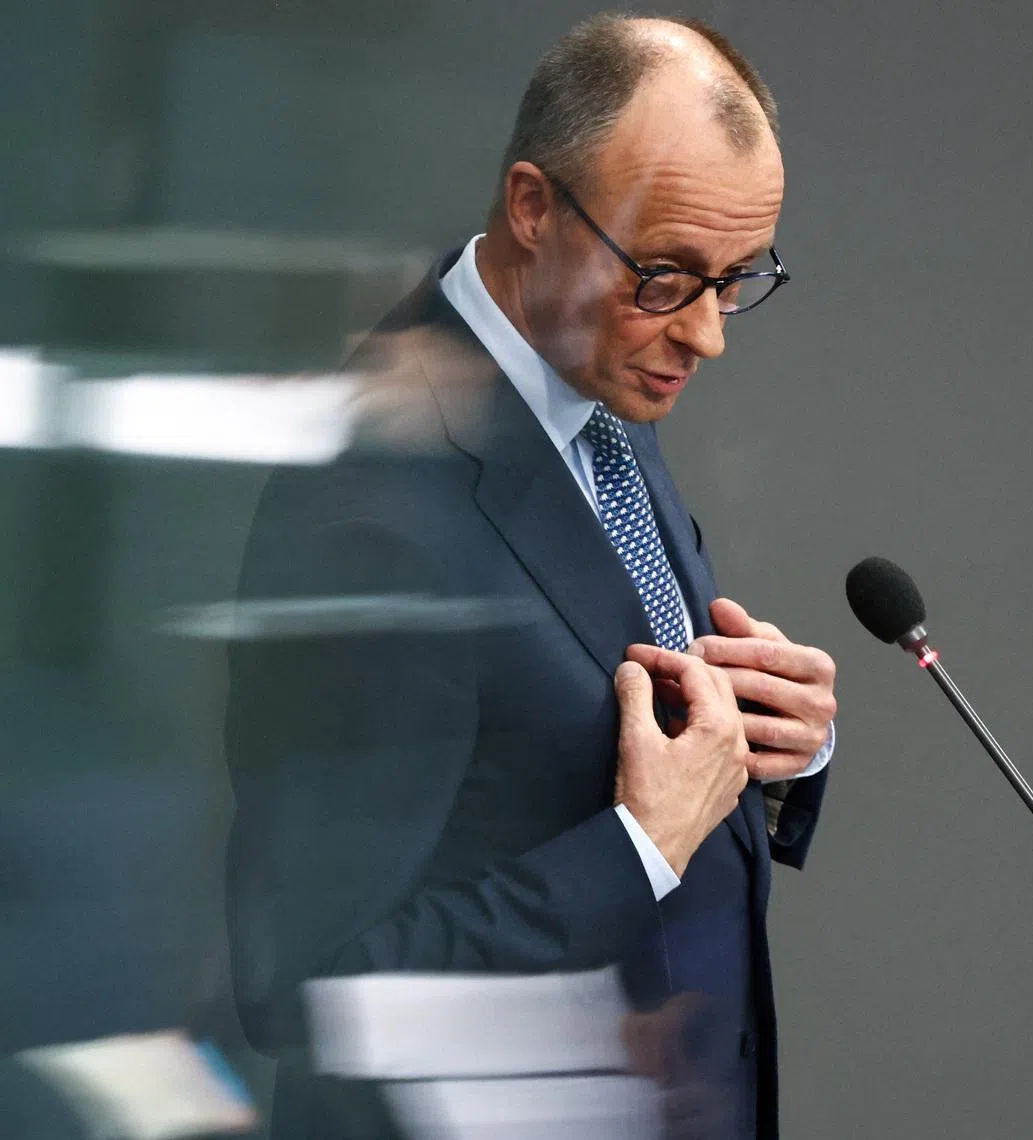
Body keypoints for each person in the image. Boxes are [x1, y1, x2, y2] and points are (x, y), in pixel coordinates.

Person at [225, 14, 837, 1140]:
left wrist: (765, 738)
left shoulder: (592, 369)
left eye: (737, 278)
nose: (707, 334)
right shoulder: (369, 512)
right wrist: (636, 850)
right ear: (533, 207)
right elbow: (306, 990)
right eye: (668, 275)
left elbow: (572, 738)